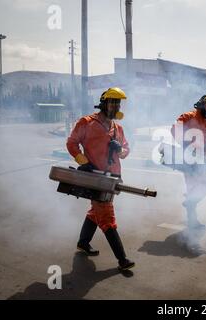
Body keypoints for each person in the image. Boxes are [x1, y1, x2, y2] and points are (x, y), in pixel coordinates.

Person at [66, 87, 134, 271]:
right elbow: (71, 143)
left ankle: (83, 242)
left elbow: (127, 151)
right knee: (107, 217)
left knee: (96, 211)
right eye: (112, 102)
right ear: (103, 103)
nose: (115, 106)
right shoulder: (86, 122)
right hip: (95, 177)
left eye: (118, 103)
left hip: (112, 178)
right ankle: (122, 260)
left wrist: (120, 149)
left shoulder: (118, 128)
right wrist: (83, 161)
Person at [171, 94, 206, 229]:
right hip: (189, 160)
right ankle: (192, 221)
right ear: (202, 103)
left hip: (202, 161)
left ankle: (190, 203)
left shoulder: (205, 122)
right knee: (193, 187)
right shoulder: (189, 116)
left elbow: (204, 143)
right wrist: (186, 146)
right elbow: (175, 129)